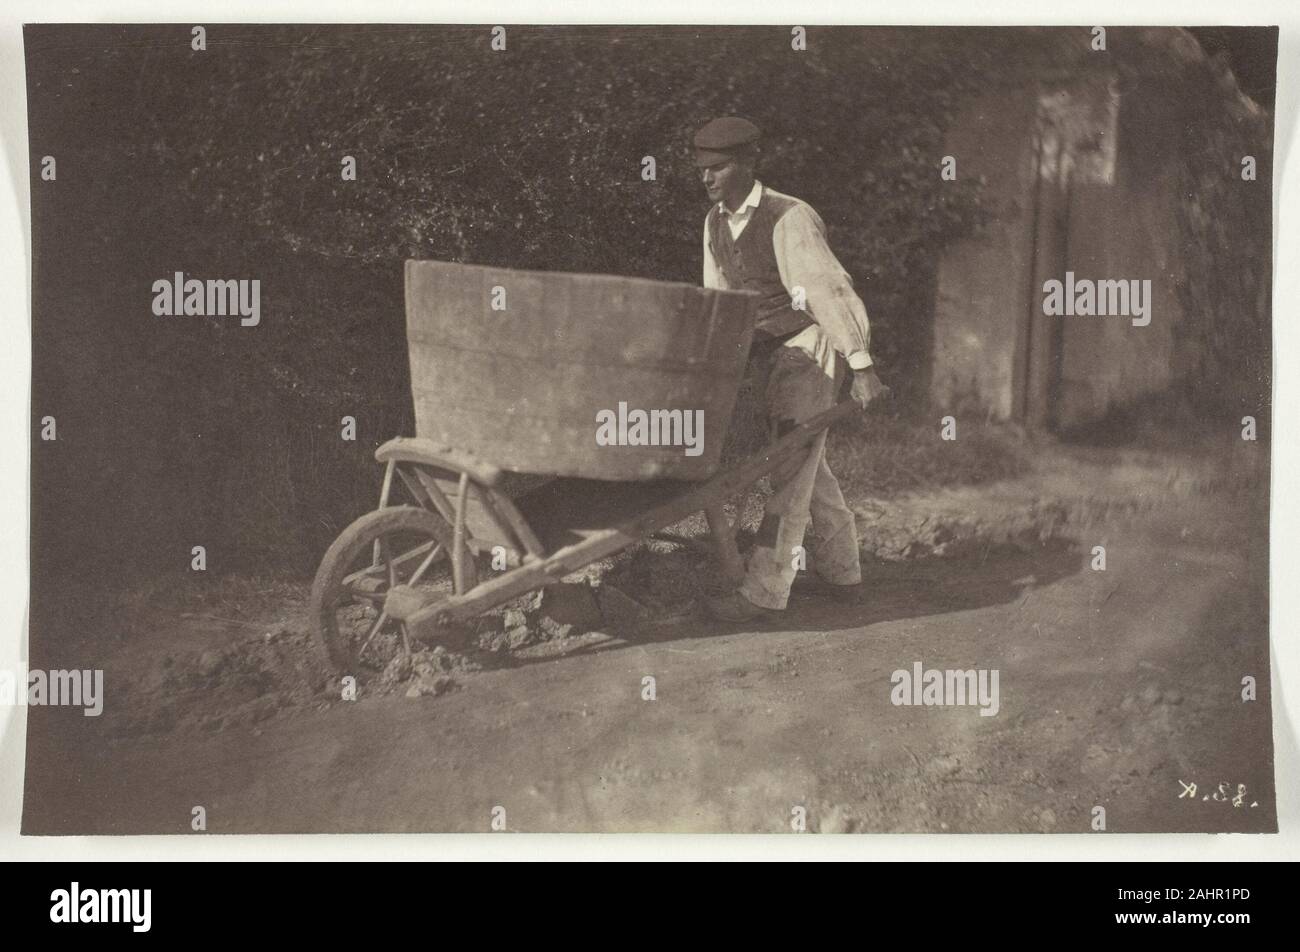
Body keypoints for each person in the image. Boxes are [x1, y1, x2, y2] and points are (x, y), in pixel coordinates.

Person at [694, 116, 890, 621]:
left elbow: (829, 290)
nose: (707, 178)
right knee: (804, 465)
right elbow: (722, 302)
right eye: (702, 169)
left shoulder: (789, 217)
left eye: (718, 167)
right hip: (766, 355)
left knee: (789, 474)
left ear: (748, 164)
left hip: (808, 347)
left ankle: (763, 593)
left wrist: (861, 364)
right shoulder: (715, 222)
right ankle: (844, 573)